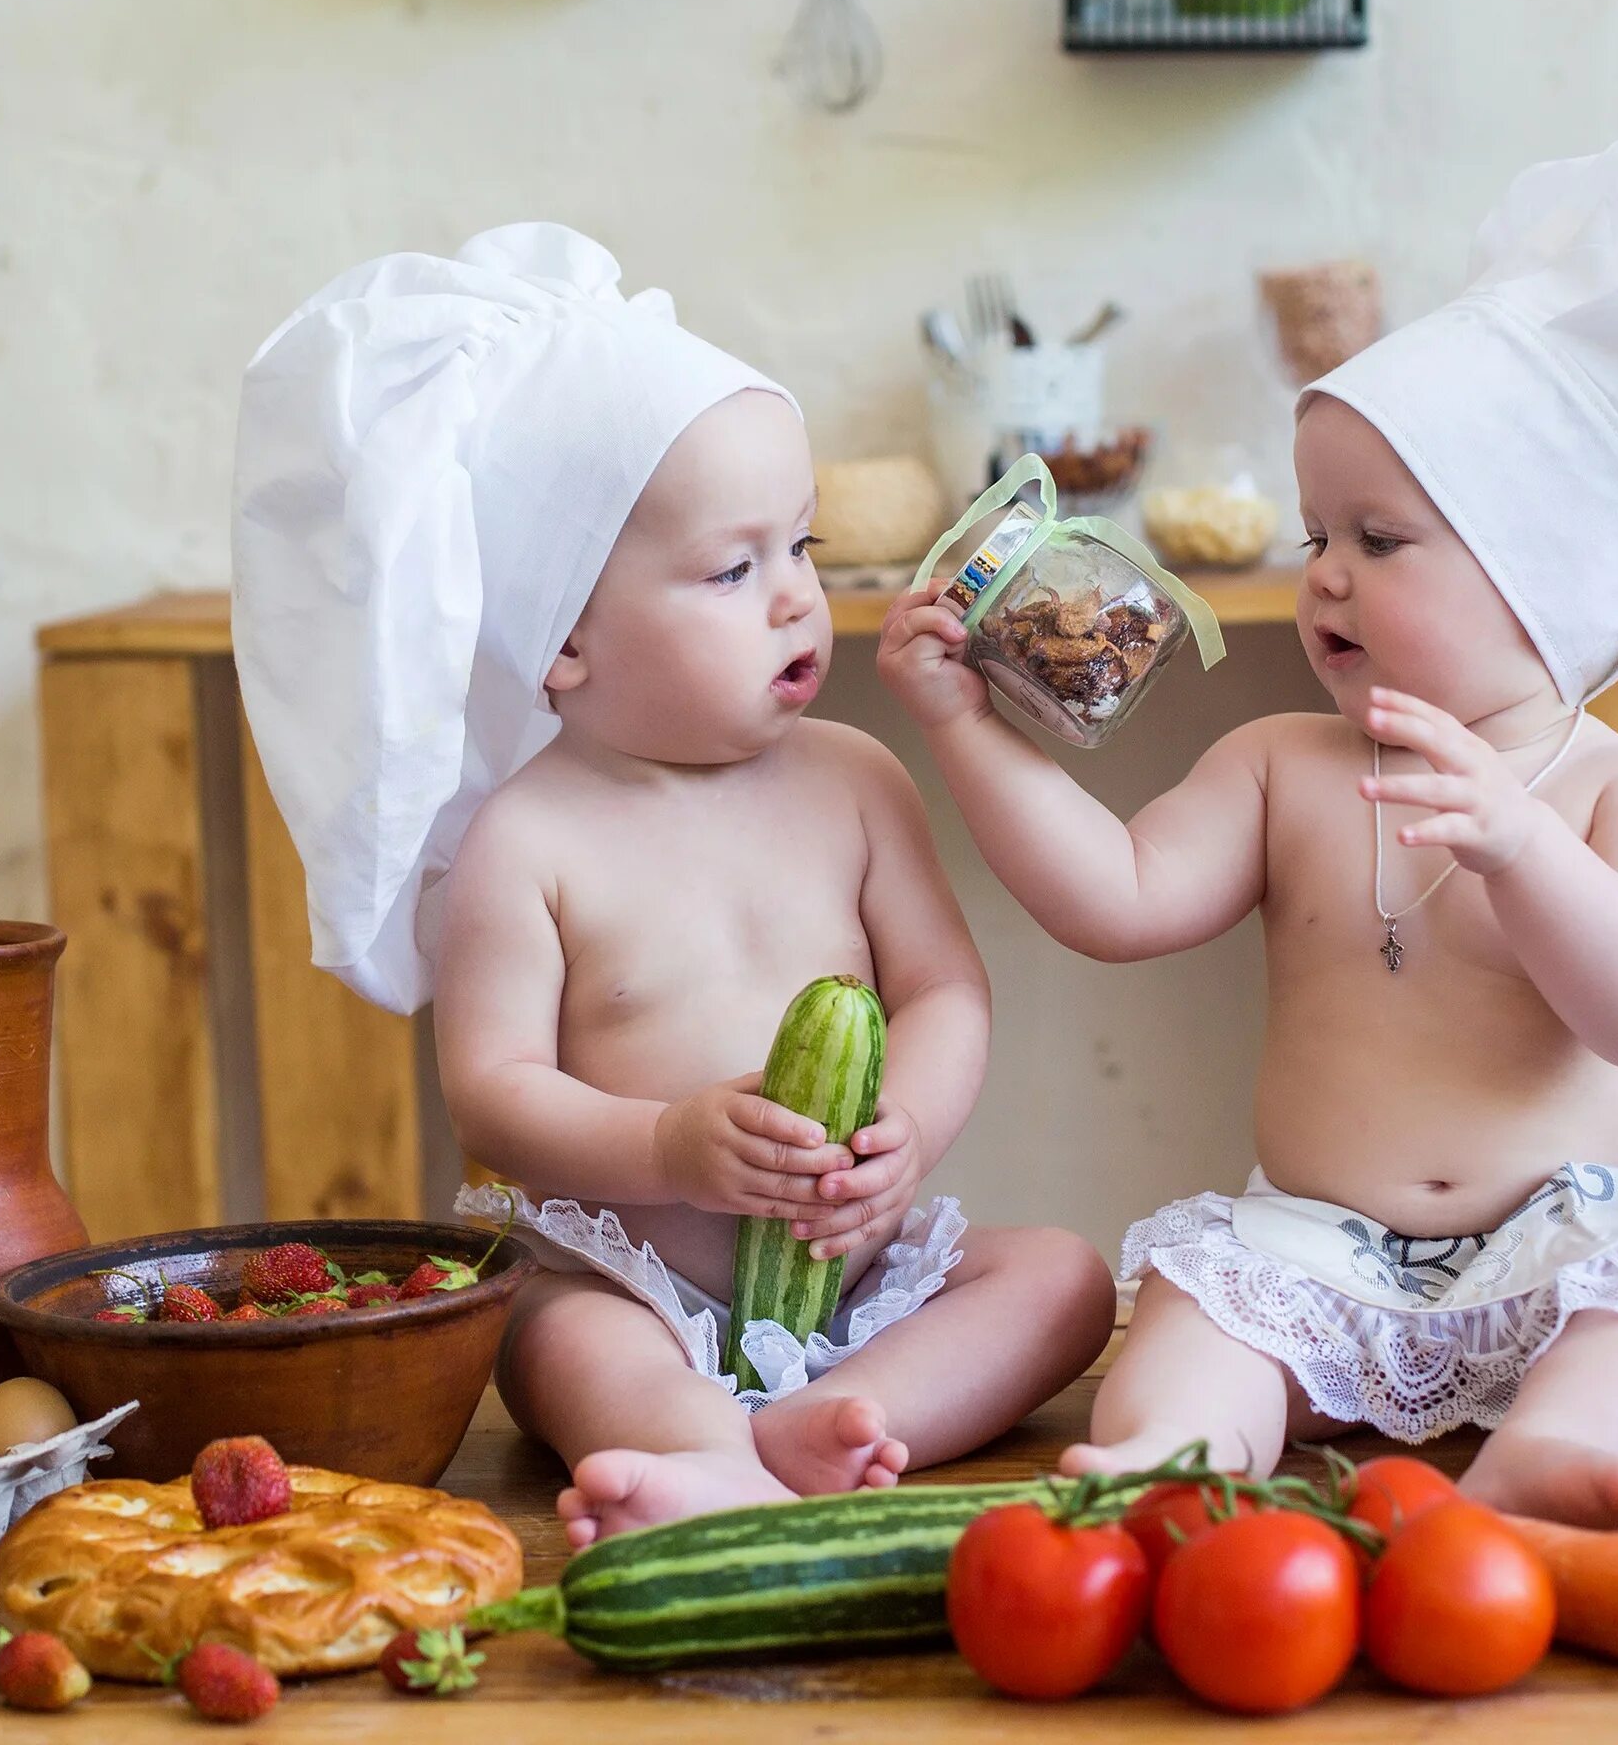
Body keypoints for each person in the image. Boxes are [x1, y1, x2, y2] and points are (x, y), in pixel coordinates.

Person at [877, 140, 1618, 1528]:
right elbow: (1116, 899)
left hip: (1575, 1242)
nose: (1324, 573)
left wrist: (1525, 848)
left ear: (1542, 578)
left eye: (1380, 540)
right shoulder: (1281, 764)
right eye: (1320, 532)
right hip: (1313, 1253)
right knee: (1196, 1320)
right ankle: (1174, 1462)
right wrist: (965, 726)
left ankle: (1554, 1459)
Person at [236, 225, 1113, 1546]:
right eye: (732, 568)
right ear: (564, 638)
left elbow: (943, 993)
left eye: (804, 549)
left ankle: (843, 1417)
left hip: (850, 1270)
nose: (796, 602)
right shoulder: (524, 841)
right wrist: (665, 1148)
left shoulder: (857, 780)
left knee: (1061, 1281)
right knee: (546, 1330)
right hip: (631, 1276)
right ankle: (705, 1445)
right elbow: (494, 1088)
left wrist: (912, 1137)